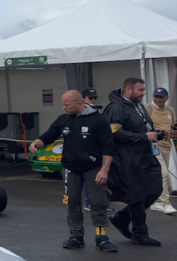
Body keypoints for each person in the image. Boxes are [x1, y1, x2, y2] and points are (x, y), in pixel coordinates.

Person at [30, 90, 116, 252]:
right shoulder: (63, 120)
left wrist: (104, 170)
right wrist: (36, 143)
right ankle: (76, 236)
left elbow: (108, 146)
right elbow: (49, 135)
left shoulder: (98, 120)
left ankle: (101, 237)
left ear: (79, 103)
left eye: (67, 104)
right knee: (72, 202)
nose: (64, 108)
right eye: (63, 104)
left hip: (94, 167)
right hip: (71, 168)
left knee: (98, 202)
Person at [104, 77, 163, 247]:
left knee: (155, 189)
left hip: (144, 155)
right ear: (128, 90)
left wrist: (157, 133)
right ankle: (139, 233)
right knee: (137, 195)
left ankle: (121, 218)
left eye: (144, 90)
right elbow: (113, 133)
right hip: (126, 158)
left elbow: (141, 127)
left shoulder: (138, 106)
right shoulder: (116, 107)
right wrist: (143, 137)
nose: (144, 94)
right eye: (141, 90)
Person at [147, 87, 177, 215]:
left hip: (167, 146)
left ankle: (155, 202)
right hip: (153, 145)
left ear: (166, 98)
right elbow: (141, 126)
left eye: (161, 97)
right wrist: (156, 132)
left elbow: (173, 127)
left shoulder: (170, 110)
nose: (158, 99)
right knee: (163, 173)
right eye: (156, 96)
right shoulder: (147, 109)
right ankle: (166, 202)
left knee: (159, 175)